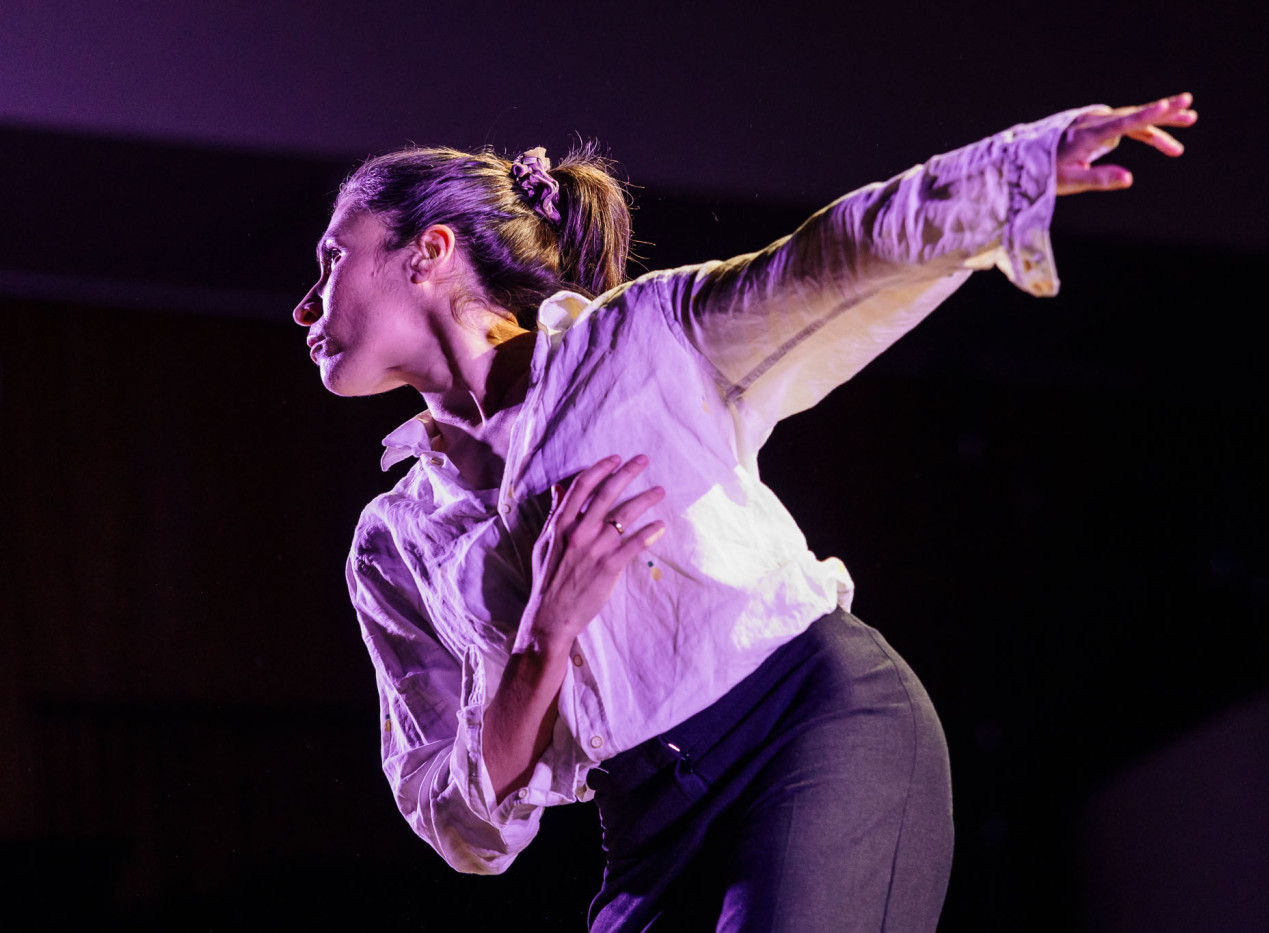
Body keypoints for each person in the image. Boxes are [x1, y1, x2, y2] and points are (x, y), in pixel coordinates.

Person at [293, 94, 1196, 932]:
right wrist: (542, 637)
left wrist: (1012, 171)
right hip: (647, 824)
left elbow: (825, 260)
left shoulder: (632, 342)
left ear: (429, 250)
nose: (304, 304)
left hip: (808, 726)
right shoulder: (393, 542)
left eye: (332, 259)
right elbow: (461, 823)